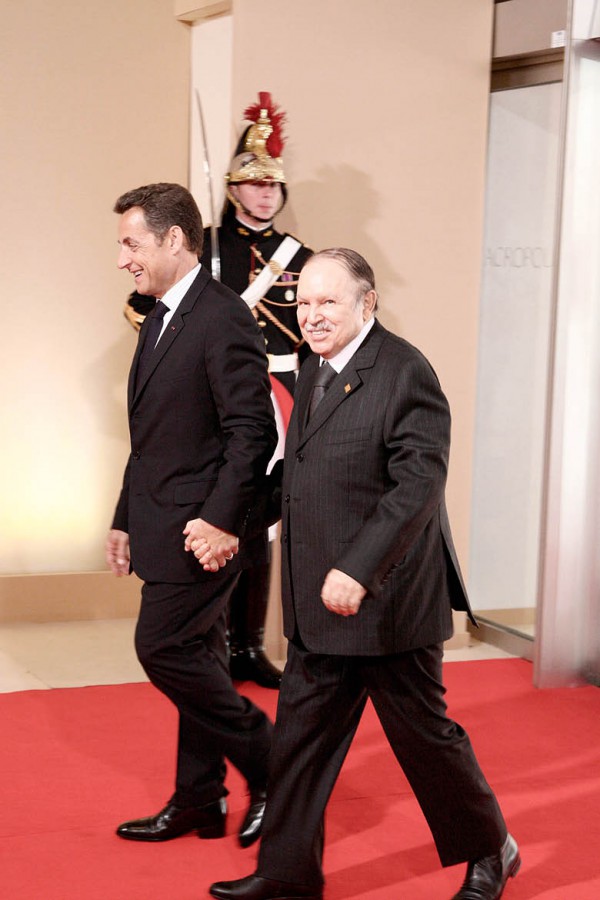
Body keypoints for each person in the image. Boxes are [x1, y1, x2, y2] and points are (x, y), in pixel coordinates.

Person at [208, 249, 520, 900]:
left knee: (424, 742)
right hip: (319, 606)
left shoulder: (406, 372)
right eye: (306, 302)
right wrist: (228, 524)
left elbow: (417, 488)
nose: (312, 315)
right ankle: (286, 875)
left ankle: (491, 850)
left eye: (328, 302)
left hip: (388, 603)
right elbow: (299, 475)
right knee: (298, 743)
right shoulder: (312, 363)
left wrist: (357, 567)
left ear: (366, 304)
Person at [105, 182, 277, 849]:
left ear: (174, 240)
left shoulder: (222, 315)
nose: (123, 259)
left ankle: (272, 763)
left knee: (163, 647)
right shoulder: (157, 315)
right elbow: (151, 436)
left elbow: (251, 432)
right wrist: (124, 516)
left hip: (201, 532)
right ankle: (200, 798)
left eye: (131, 243)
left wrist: (222, 523)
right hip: (158, 519)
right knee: (199, 655)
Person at [124, 93, 313, 689]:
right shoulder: (203, 247)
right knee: (219, 510)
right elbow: (143, 309)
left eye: (273, 187)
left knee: (255, 521)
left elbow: (312, 334)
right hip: (210, 398)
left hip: (279, 394)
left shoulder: (299, 259)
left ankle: (249, 644)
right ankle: (219, 641)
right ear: (233, 189)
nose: (264, 194)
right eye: (254, 184)